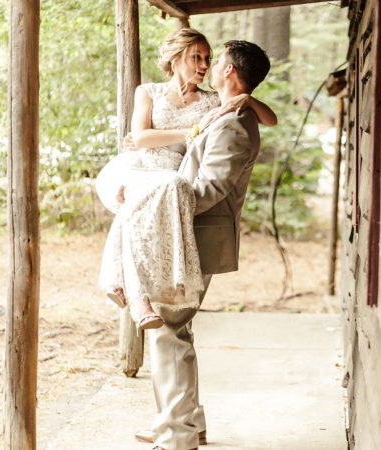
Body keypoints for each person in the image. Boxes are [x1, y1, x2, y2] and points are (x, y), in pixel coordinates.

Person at [133, 40, 272, 450]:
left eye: (217, 61)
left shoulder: (233, 124)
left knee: (169, 330)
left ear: (229, 71)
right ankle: (189, 423)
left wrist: (156, 202)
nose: (210, 67)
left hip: (196, 234)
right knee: (179, 328)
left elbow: (208, 189)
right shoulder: (226, 114)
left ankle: (176, 436)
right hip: (188, 232)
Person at [96, 28, 276, 331]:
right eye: (198, 57)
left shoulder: (214, 101)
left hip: (177, 179)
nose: (205, 64)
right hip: (144, 168)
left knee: (145, 200)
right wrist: (192, 131)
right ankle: (128, 289)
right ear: (177, 58)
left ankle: (124, 287)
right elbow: (140, 137)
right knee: (131, 200)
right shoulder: (149, 92)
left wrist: (247, 97)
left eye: (209, 58)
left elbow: (269, 119)